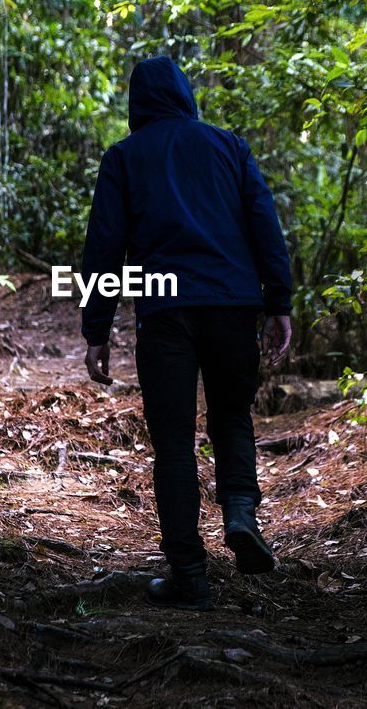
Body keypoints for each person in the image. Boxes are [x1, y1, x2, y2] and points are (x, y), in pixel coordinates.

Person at [79, 55, 293, 611]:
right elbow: (263, 223)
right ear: (185, 93)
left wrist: (95, 328)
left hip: (164, 310)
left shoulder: (125, 157)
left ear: (136, 104)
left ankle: (189, 575)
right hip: (232, 304)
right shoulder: (229, 147)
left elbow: (105, 247)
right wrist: (278, 302)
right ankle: (241, 514)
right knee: (231, 417)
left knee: (173, 441)